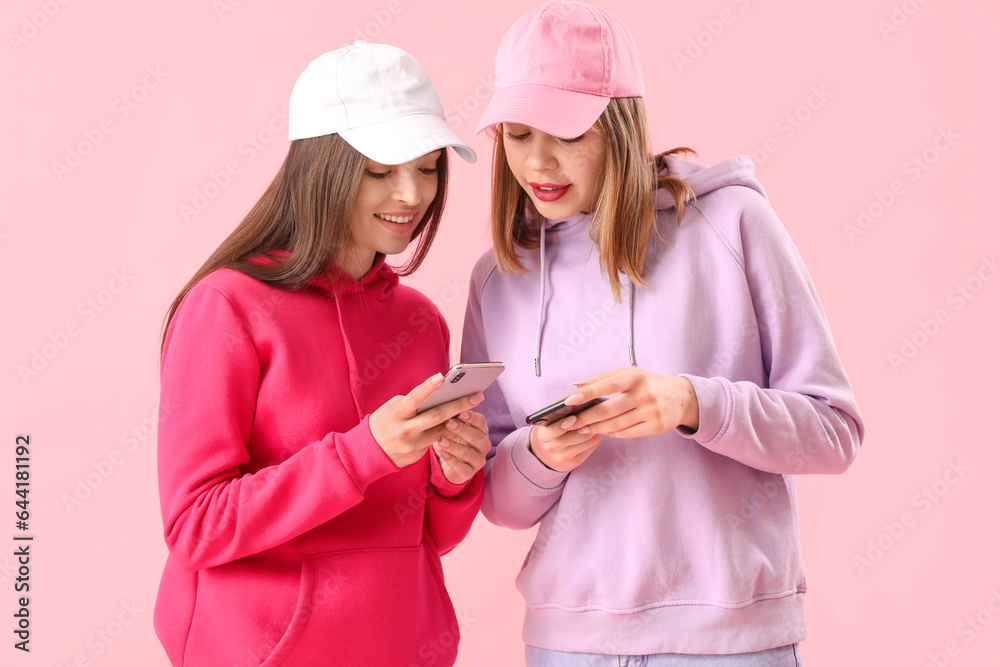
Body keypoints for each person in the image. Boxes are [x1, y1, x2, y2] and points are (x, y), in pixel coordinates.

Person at [461, 2, 865, 665]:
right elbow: (499, 501)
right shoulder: (498, 279)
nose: (536, 161)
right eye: (516, 133)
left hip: (727, 642)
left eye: (564, 132)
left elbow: (835, 431)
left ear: (617, 126)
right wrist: (542, 452)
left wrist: (690, 403)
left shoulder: (731, 224)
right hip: (567, 645)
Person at [154, 42, 489, 666]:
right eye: (381, 170)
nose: (412, 194)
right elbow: (195, 527)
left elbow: (425, 541)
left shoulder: (419, 322)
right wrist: (363, 453)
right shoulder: (226, 306)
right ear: (322, 167)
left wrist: (453, 478)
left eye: (427, 167)